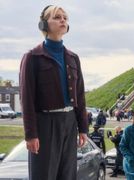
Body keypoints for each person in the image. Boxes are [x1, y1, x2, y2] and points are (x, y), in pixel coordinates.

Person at [19, 5, 88, 180]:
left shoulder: (73, 58)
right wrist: (31, 134)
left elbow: (80, 96)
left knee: (67, 175)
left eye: (65, 17)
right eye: (57, 17)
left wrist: (83, 129)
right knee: (44, 175)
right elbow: (26, 99)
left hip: (69, 122)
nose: (63, 20)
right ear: (43, 25)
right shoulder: (32, 57)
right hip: (45, 124)